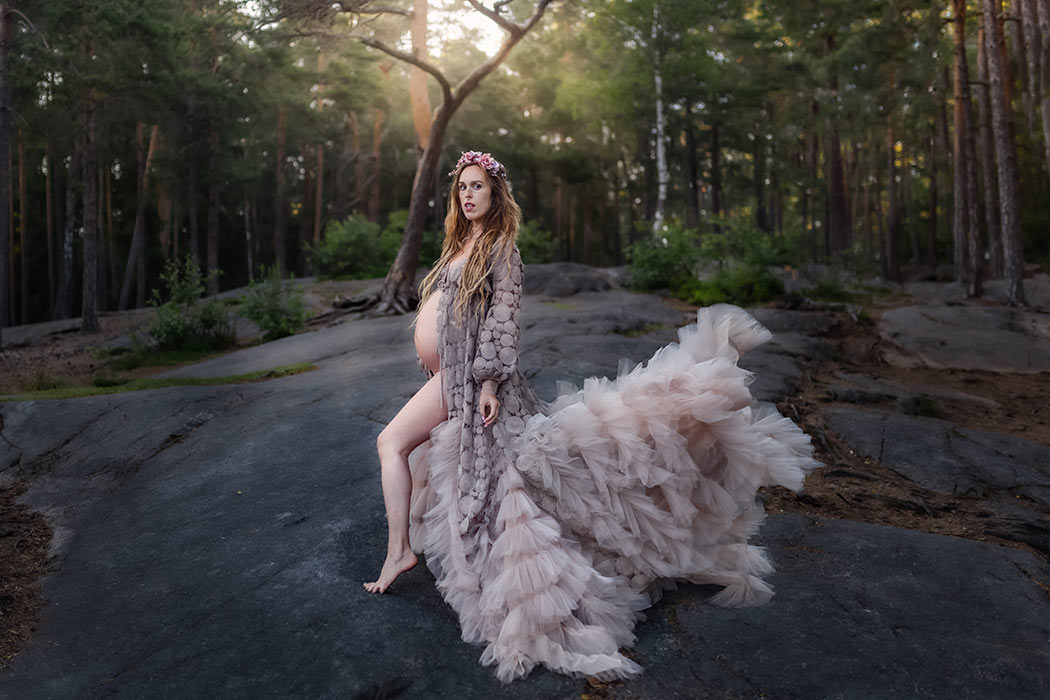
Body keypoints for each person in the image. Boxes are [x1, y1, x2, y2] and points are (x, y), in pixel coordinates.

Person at [364, 150, 819, 683]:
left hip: (467, 379)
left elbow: (504, 324)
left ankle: (398, 554)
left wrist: (487, 382)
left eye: (478, 187)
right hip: (447, 374)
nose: (468, 195)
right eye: (462, 187)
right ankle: (413, 541)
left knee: (390, 444)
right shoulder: (459, 244)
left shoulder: (501, 249)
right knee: (434, 458)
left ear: (496, 195)